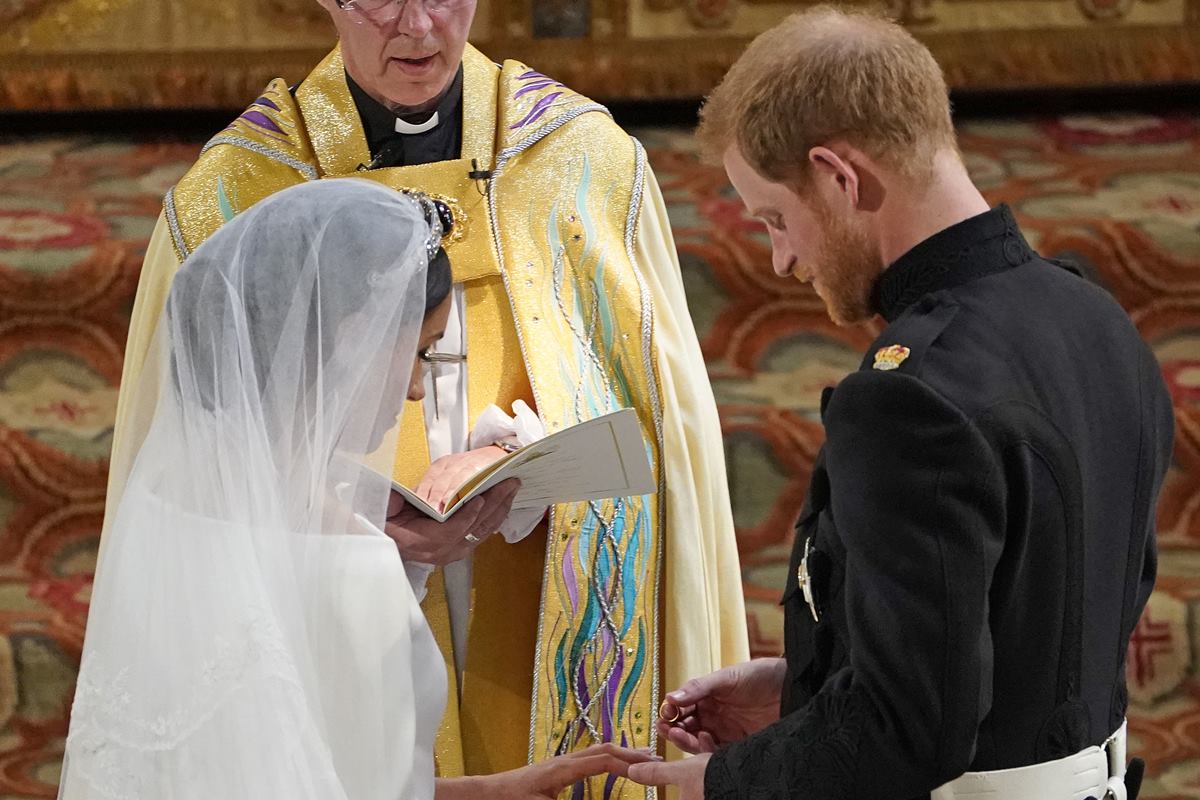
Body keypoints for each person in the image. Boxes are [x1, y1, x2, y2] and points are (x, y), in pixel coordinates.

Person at [105, 0, 748, 788]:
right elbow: (196, 452)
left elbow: (661, 411)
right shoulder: (234, 194)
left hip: (540, 572)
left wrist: (523, 454)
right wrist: (335, 513)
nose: (419, 27)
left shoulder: (583, 159)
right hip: (331, 598)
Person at [626, 7, 1175, 800]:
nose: (782, 260)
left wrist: (724, 781)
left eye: (777, 219)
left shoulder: (906, 401)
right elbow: (1035, 626)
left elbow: (908, 730)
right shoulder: (1093, 314)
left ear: (839, 177)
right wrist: (806, 687)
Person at [60, 179, 654, 800]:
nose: (417, 390)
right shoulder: (355, 569)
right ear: (350, 337)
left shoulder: (160, 507)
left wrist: (490, 790)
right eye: (422, 353)